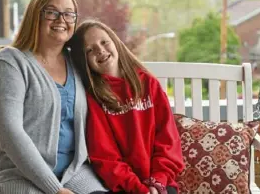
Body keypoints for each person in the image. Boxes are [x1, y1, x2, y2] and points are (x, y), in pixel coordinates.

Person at [0, 0, 108, 194]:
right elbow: (10, 133)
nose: (61, 19)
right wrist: (55, 189)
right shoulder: (10, 62)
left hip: (72, 173)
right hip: (15, 174)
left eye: (68, 14)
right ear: (35, 16)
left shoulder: (76, 62)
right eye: (51, 12)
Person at [68, 20, 185, 194]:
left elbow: (168, 140)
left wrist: (157, 180)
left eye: (104, 42)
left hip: (161, 184)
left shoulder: (148, 83)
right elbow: (104, 156)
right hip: (121, 186)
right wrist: (139, 189)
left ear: (115, 41)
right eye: (89, 50)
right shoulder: (93, 98)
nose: (100, 50)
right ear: (84, 61)